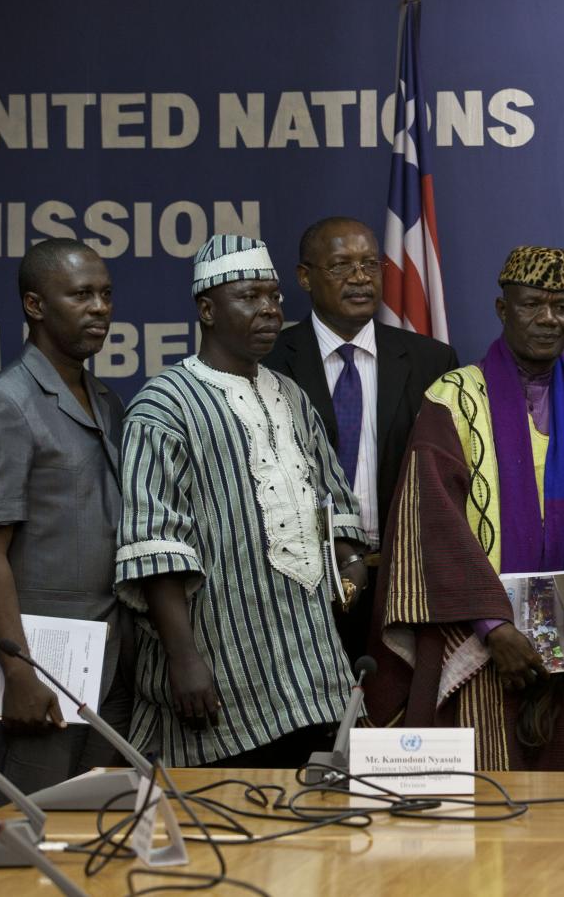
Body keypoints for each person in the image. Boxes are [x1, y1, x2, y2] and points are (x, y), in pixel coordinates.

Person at [367, 246, 564, 769]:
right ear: (503, 309)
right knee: (486, 803)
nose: (549, 319)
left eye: (562, 307)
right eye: (532, 305)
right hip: (480, 650)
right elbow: (436, 529)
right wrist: (494, 630)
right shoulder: (453, 400)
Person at [113, 235, 370, 767]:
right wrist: (184, 658)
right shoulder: (164, 405)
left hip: (311, 666)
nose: (270, 310)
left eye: (274, 296)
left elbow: (334, 500)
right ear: (207, 310)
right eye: (250, 297)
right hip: (224, 671)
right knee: (229, 812)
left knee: (314, 811)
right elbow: (155, 545)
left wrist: (350, 564)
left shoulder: (290, 395)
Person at [0, 238, 132, 798]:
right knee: (35, 833)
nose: (100, 308)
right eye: (81, 295)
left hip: (116, 665)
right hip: (44, 673)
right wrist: (19, 674)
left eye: (106, 294)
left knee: (106, 831)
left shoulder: (107, 401)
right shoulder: (3, 403)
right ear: (35, 305)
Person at [263, 216, 458, 661]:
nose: (359, 277)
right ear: (304, 277)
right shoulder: (269, 361)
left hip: (402, 582)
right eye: (340, 265)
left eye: (370, 264)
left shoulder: (432, 361)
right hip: (300, 584)